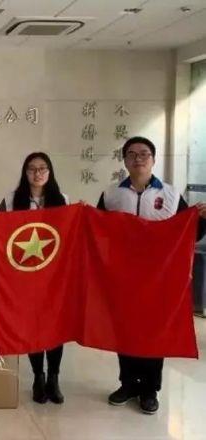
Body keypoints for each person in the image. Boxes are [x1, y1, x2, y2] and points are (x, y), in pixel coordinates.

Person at [99, 136, 206, 415]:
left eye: (144, 153)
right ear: (124, 160)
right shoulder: (111, 195)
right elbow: (98, 231)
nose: (138, 159)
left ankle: (149, 389)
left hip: (159, 278)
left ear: (153, 159)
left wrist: (202, 220)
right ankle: (128, 384)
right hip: (123, 276)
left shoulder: (170, 194)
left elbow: (188, 233)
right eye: (132, 154)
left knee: (154, 331)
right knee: (125, 329)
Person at [0, 152, 68, 405]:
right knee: (33, 326)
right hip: (24, 276)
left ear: (50, 172)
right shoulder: (11, 200)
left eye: (42, 168)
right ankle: (38, 376)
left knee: (55, 327)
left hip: (54, 276)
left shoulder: (62, 200)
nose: (37, 173)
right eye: (32, 169)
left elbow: (70, 235)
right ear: (25, 172)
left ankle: (54, 377)